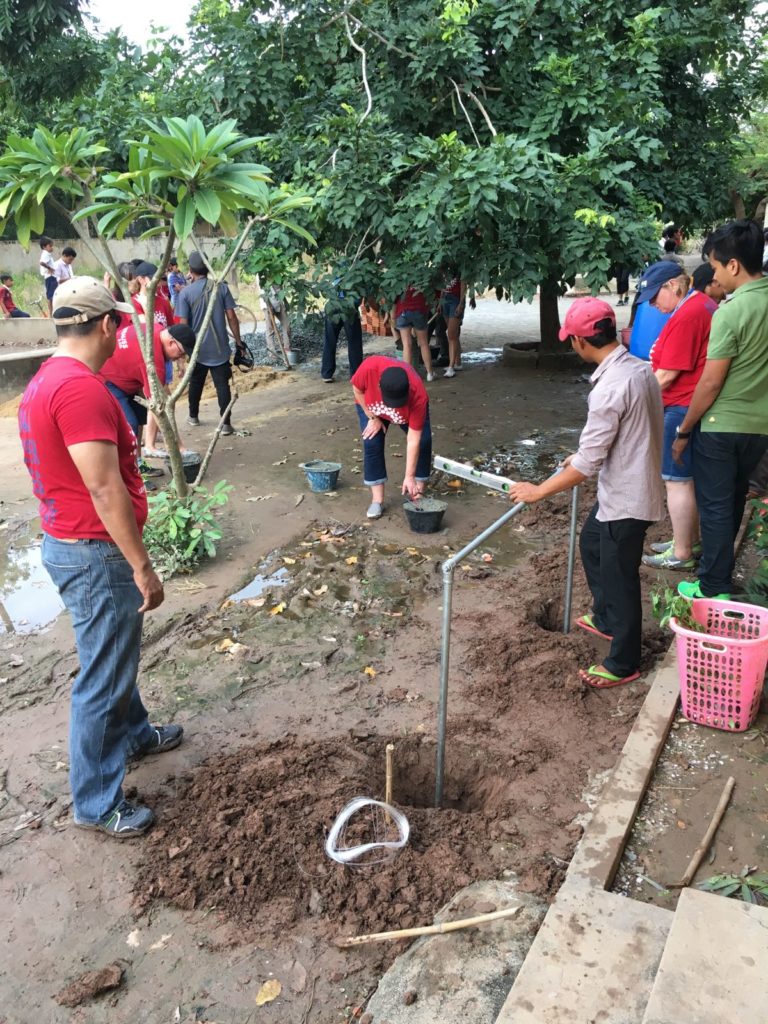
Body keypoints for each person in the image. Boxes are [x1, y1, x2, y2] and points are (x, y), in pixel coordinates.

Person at [17, 276, 182, 839]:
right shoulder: (80, 390)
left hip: (72, 543)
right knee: (101, 677)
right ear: (109, 325)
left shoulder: (46, 381)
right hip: (94, 552)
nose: (125, 335)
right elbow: (104, 487)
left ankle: (135, 735)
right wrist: (141, 564)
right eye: (122, 324)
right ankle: (94, 801)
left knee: (112, 655)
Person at [510, 297, 664, 688]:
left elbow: (586, 467)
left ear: (580, 341)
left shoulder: (609, 387)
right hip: (627, 485)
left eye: (570, 340)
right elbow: (604, 444)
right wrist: (580, 454)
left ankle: (623, 661)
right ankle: (607, 617)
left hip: (628, 499)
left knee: (621, 577)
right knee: (591, 541)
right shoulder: (638, 368)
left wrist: (538, 491)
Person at [672, 219, 768, 601]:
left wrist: (684, 430)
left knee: (715, 507)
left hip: (720, 424)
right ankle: (718, 579)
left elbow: (710, 383)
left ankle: (713, 588)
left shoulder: (730, 312)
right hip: (760, 429)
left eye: (713, 266)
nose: (713, 275)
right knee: (732, 499)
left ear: (732, 265)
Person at [642, 267, 719, 571]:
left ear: (673, 285)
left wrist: (635, 399)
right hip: (686, 404)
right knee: (683, 480)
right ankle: (688, 540)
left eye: (654, 296)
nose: (652, 304)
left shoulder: (689, 314)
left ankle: (683, 553)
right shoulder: (696, 306)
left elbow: (666, 374)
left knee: (676, 481)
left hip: (680, 407)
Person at [350, 355, 432, 519]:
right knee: (372, 442)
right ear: (379, 386)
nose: (394, 407)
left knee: (423, 442)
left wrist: (409, 476)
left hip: (404, 414)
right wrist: (372, 417)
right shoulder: (369, 369)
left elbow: (413, 440)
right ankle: (377, 500)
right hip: (372, 407)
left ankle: (418, 493)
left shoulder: (418, 395)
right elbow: (357, 389)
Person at [175, 250, 245, 436]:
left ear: (190, 270)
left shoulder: (185, 293)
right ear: (207, 268)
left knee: (196, 383)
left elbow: (182, 326)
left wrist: (183, 353)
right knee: (222, 385)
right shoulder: (220, 288)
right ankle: (226, 424)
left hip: (197, 350)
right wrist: (239, 343)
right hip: (220, 347)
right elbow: (232, 317)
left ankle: (193, 416)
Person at [100, 319, 193, 440]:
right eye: (181, 353)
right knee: (130, 425)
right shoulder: (154, 361)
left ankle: (138, 458)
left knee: (140, 418)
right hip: (107, 379)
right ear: (171, 343)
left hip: (125, 376)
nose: (178, 358)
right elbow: (157, 406)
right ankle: (127, 458)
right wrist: (177, 446)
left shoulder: (155, 328)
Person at [321, 276, 364, 383]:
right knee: (354, 342)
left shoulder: (336, 270)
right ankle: (356, 375)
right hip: (349, 309)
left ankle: (327, 373)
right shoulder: (356, 272)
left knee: (329, 341)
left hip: (333, 307)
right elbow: (359, 297)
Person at [393, 287, 435, 382]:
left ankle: (407, 375)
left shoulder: (399, 276)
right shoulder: (422, 276)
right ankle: (429, 373)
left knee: (406, 345)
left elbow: (394, 298)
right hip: (419, 309)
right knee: (423, 343)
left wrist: (392, 317)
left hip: (403, 310)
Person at [131, 260, 175, 329]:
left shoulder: (164, 302)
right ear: (141, 280)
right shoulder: (134, 303)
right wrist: (145, 306)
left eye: (159, 279)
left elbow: (171, 328)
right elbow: (147, 330)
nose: (158, 283)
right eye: (153, 280)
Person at [439, 271, 466, 376]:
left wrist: (461, 304)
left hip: (455, 300)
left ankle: (451, 366)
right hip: (445, 298)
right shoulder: (445, 267)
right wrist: (440, 301)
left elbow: (464, 287)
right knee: (452, 335)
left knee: (451, 334)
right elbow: (442, 285)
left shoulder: (461, 269)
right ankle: (457, 362)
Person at [38, 235, 57, 313]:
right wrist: (50, 268)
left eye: (52, 246)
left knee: (52, 295)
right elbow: (42, 262)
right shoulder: (45, 254)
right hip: (50, 277)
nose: (52, 248)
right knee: (51, 296)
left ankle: (52, 312)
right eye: (50, 246)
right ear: (44, 246)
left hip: (52, 277)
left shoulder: (47, 254)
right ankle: (51, 313)